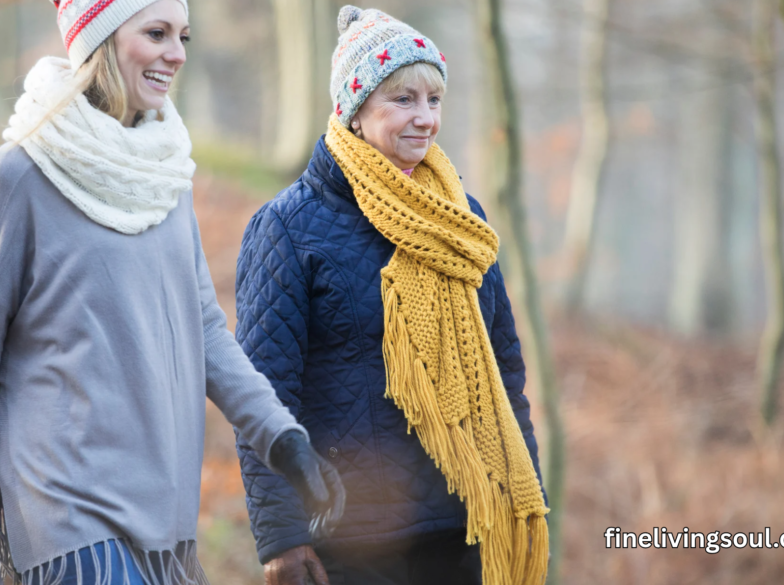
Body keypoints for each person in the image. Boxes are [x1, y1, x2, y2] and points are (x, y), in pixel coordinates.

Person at [0, 1, 344, 584]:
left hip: (161, 502)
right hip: (65, 505)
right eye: (155, 33)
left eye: (182, 35)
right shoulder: (17, 177)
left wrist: (282, 438)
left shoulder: (164, 179)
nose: (176, 53)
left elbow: (205, 328)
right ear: (99, 40)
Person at [234, 6, 549, 585]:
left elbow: (504, 373)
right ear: (354, 111)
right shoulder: (287, 227)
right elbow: (261, 395)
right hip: (353, 539)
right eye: (403, 99)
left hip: (467, 524)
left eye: (434, 99)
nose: (425, 118)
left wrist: (524, 491)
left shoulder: (462, 218)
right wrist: (281, 533)